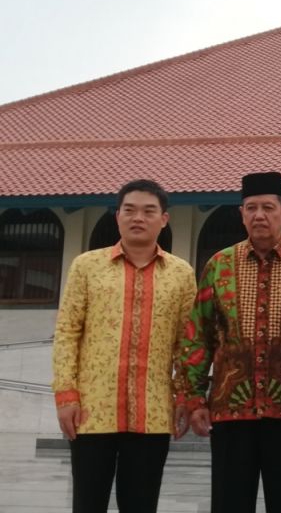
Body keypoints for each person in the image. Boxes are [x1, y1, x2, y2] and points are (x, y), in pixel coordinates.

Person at [174, 171, 281, 513]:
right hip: (229, 412)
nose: (259, 215)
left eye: (268, 207)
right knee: (230, 502)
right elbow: (198, 335)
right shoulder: (219, 265)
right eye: (250, 207)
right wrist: (193, 398)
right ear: (241, 214)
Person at [51, 179, 196, 513]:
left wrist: (185, 396)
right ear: (117, 216)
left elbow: (186, 344)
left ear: (164, 219)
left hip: (153, 412)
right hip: (92, 410)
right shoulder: (86, 266)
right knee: (88, 502)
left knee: (141, 503)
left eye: (149, 211)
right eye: (129, 210)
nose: (138, 218)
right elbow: (67, 333)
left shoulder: (181, 274)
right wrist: (65, 395)